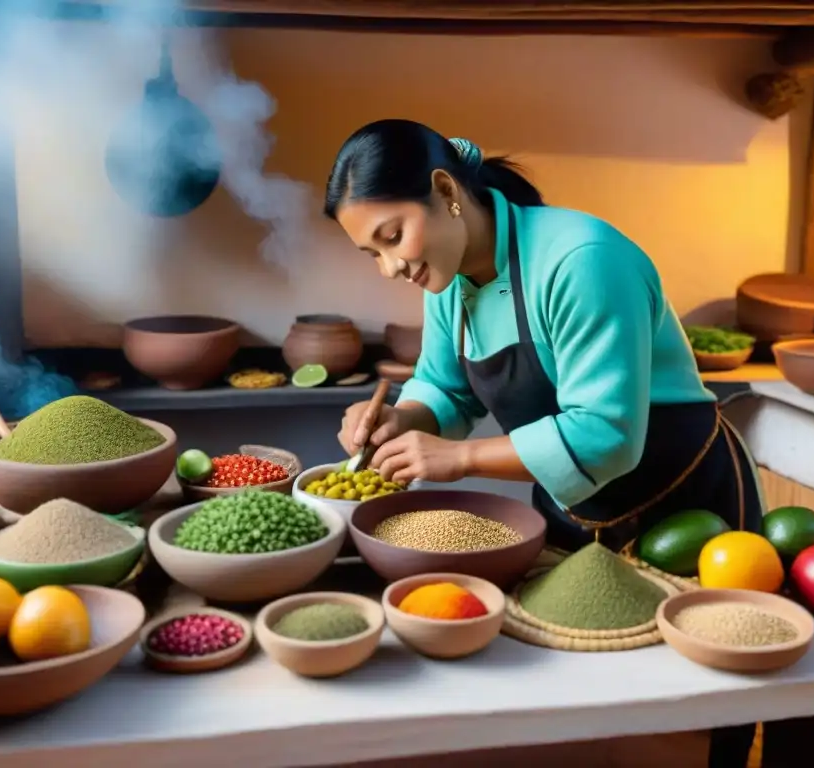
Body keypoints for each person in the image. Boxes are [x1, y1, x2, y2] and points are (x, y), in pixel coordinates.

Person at [326, 119, 762, 766]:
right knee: (583, 709)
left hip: (682, 496)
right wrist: (403, 421)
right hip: (577, 510)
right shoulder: (449, 278)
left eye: (393, 238)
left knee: (695, 710)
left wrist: (461, 457)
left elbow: (607, 434)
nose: (392, 266)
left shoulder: (582, 259)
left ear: (445, 190)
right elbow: (447, 389)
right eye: (373, 253)